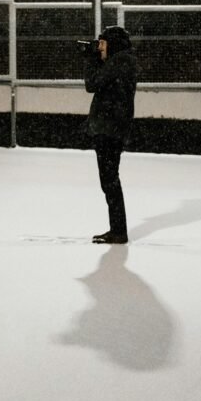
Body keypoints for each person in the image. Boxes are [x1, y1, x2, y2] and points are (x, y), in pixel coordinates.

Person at [83, 25, 137, 244]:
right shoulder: (123, 61)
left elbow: (92, 83)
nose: (100, 48)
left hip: (110, 130)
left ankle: (118, 231)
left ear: (113, 44)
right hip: (112, 128)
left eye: (103, 44)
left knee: (109, 181)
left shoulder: (120, 62)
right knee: (109, 180)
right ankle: (117, 229)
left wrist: (90, 59)